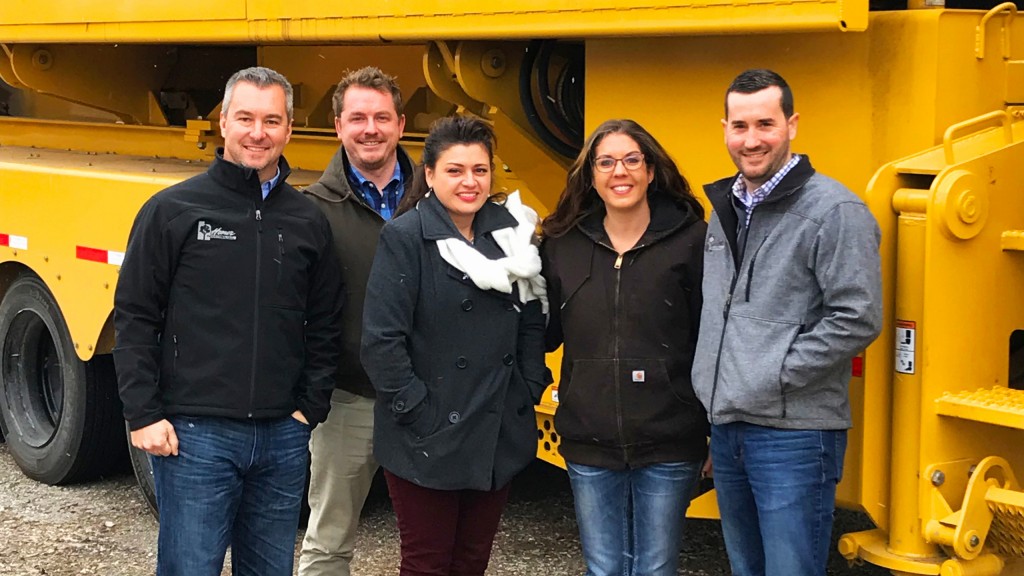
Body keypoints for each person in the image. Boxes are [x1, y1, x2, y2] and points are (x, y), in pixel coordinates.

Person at [113, 66, 344, 576]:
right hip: (196, 436)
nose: (257, 133)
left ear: (288, 129)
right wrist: (143, 415)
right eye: (244, 117)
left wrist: (310, 406)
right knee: (190, 567)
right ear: (222, 123)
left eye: (271, 120)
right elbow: (134, 315)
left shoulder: (307, 220)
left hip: (283, 435)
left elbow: (325, 321)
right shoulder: (173, 210)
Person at [692, 69, 883, 576]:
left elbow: (858, 317)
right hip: (730, 427)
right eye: (739, 126)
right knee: (746, 567)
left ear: (792, 124)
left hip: (794, 435)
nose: (751, 140)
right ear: (725, 128)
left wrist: (772, 373)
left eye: (765, 124)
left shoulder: (835, 210)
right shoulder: (725, 208)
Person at [361, 115, 548, 576]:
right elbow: (382, 341)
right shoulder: (406, 238)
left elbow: (531, 323)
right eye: (455, 170)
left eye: (480, 170)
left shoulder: (513, 237)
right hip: (427, 435)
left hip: (494, 425)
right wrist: (417, 411)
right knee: (427, 565)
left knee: (470, 563)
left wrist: (527, 389)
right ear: (429, 174)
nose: (470, 182)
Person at [540, 119, 709, 576]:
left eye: (632, 160)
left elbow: (709, 340)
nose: (621, 172)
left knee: (656, 568)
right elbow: (543, 331)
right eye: (607, 162)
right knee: (603, 568)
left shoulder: (692, 241)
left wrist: (713, 425)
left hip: (670, 439)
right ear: (591, 176)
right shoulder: (561, 245)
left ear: (651, 171)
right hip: (588, 438)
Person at [299, 66, 418, 576]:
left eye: (381, 117)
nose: (370, 128)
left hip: (427, 400)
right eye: (358, 118)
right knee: (328, 543)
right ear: (338, 127)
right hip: (349, 400)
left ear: (401, 124)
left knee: (431, 545)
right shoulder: (310, 210)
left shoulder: (439, 199)